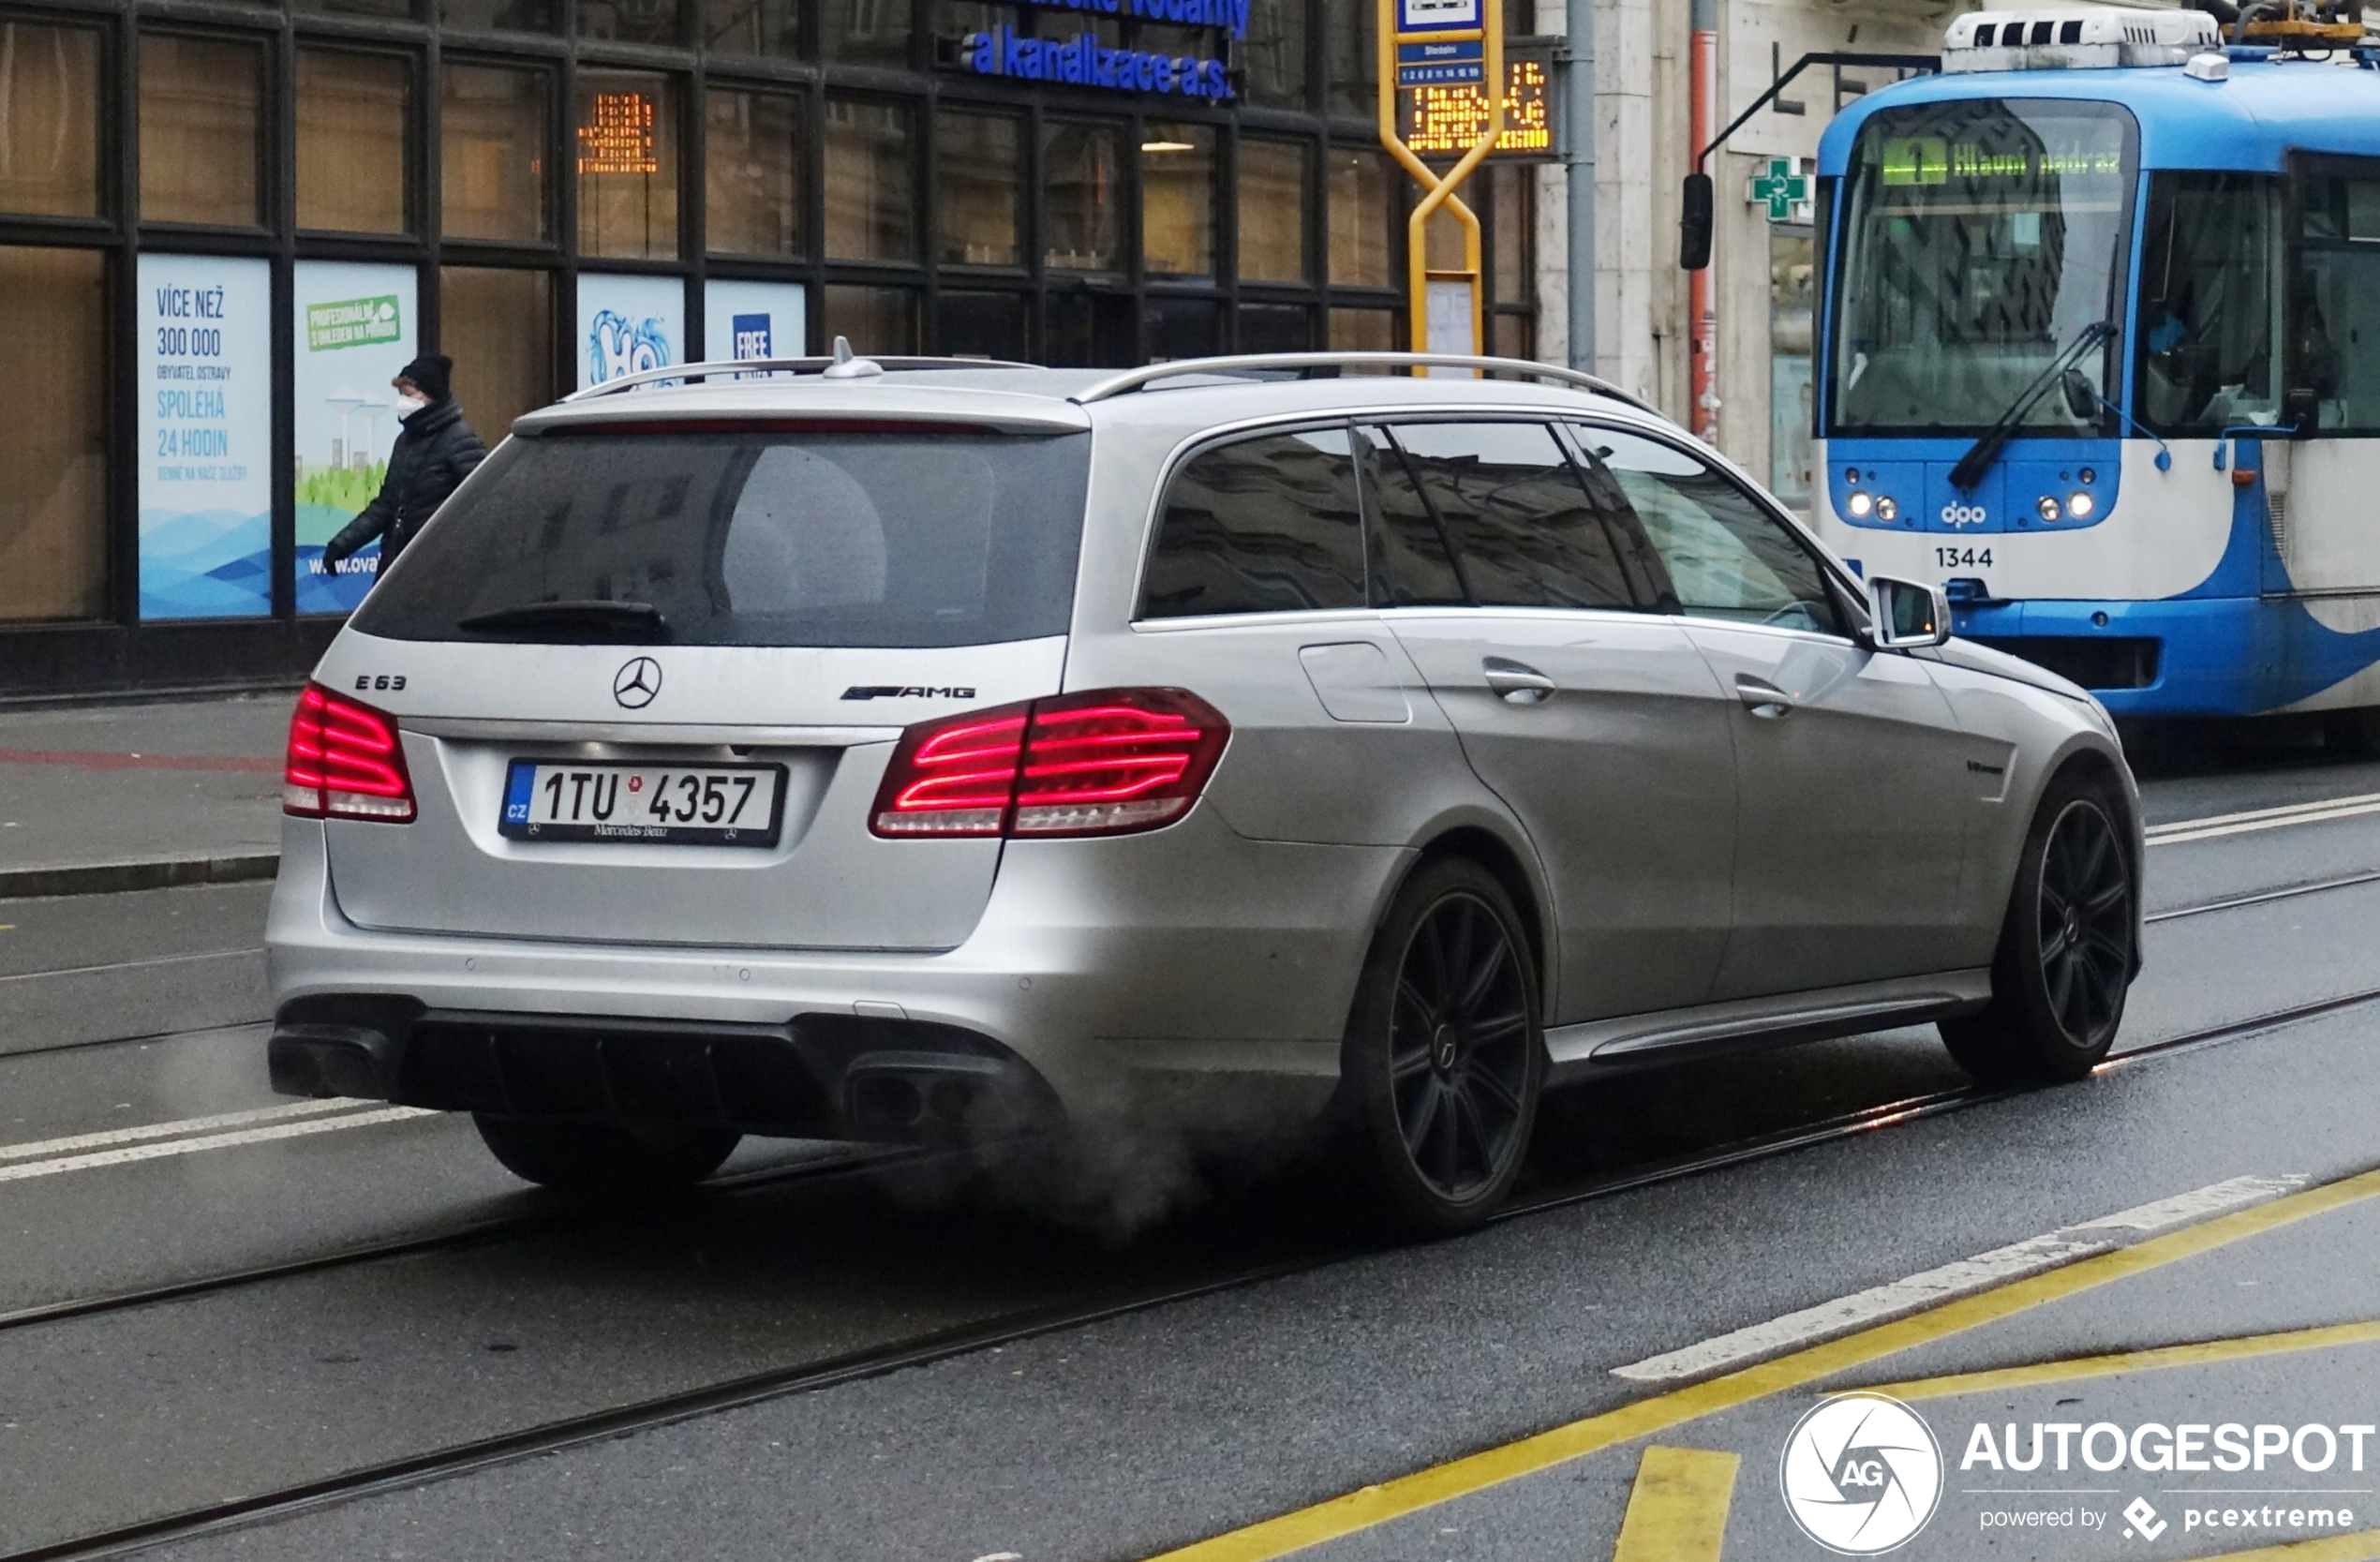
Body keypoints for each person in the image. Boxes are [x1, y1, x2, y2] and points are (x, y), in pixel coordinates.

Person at [320, 354, 487, 578]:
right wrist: (342, 544)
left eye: (408, 395)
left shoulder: (459, 439)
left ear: (431, 395)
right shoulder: (406, 441)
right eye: (400, 395)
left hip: (438, 571)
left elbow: (486, 502)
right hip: (398, 562)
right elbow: (386, 505)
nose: (402, 402)